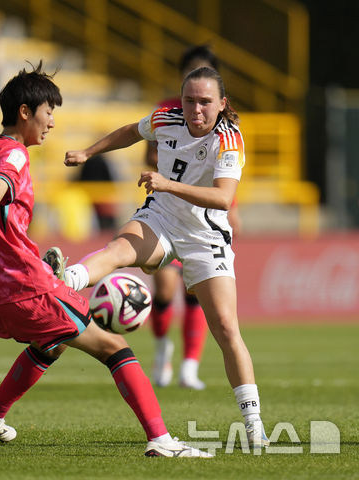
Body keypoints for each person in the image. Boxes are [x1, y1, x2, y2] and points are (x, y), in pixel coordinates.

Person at [0, 62, 212, 458]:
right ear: (25, 112)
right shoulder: (14, 155)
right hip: (23, 286)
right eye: (48, 112)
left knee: (52, 343)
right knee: (116, 348)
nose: (52, 122)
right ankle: (161, 440)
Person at [44, 66, 269, 448]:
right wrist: (88, 151)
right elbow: (131, 132)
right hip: (161, 218)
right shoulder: (166, 119)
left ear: (222, 104)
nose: (196, 109)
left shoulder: (229, 140)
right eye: (189, 100)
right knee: (118, 249)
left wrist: (167, 183)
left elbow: (223, 198)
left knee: (228, 329)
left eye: (205, 102)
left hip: (205, 235)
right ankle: (65, 281)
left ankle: (253, 424)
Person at [143, 45, 241, 390]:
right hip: (169, 211)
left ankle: (189, 365)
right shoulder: (168, 112)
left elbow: (225, 177)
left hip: (205, 221)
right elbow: (149, 150)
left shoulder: (226, 127)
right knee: (166, 290)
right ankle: (161, 351)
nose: (197, 103)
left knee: (197, 295)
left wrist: (234, 211)